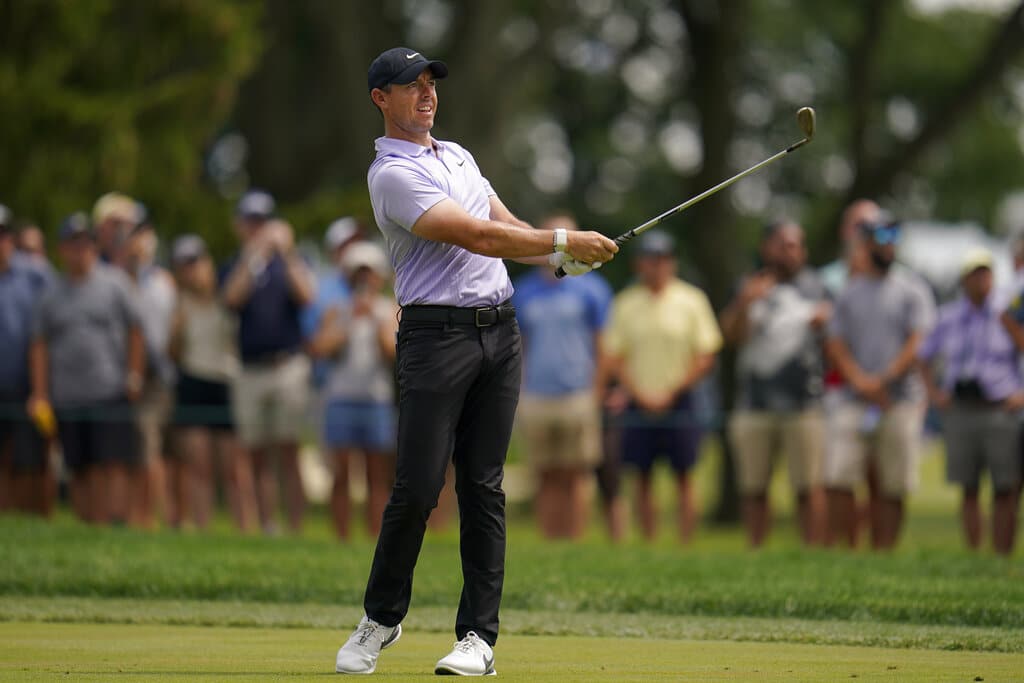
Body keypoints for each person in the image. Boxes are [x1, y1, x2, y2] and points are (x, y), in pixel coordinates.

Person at [334, 47, 616, 677]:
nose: (427, 94)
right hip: (435, 339)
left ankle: (476, 640)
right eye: (411, 86)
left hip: (501, 332)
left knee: (484, 486)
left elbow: (504, 224)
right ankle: (382, 618)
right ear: (381, 99)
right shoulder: (391, 175)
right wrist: (566, 240)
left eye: (431, 83)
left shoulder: (458, 155)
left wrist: (556, 261)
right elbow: (475, 235)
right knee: (417, 487)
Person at [598, 230, 722, 543]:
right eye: (650, 260)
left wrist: (672, 391)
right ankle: (649, 544)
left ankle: (685, 544)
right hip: (638, 402)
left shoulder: (692, 300)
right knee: (641, 475)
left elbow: (706, 356)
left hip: (681, 399)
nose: (656, 267)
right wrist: (640, 394)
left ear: (672, 263)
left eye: (663, 260)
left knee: (684, 474)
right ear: (640, 264)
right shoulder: (626, 303)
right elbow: (615, 357)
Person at [824, 217, 935, 549]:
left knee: (893, 483)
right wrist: (861, 381)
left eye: (895, 235)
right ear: (866, 243)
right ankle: (850, 549)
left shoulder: (912, 288)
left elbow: (918, 340)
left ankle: (884, 551)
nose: (890, 242)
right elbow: (835, 342)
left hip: (899, 399)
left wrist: (884, 379)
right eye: (882, 236)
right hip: (853, 398)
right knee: (839, 476)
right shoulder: (848, 292)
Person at [29, 213, 145, 524]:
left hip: (109, 390)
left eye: (84, 242)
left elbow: (137, 330)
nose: (79, 249)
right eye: (72, 243)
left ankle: (116, 523)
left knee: (112, 462)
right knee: (78, 466)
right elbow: (38, 344)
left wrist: (134, 375)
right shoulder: (50, 293)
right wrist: (40, 393)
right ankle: (89, 526)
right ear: (61, 249)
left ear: (93, 246)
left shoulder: (115, 283)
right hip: (67, 394)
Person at [719, 220, 829, 547]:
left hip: (805, 404)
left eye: (797, 245)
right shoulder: (746, 285)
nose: (793, 252)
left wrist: (827, 323)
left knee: (808, 486)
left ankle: (812, 554)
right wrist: (744, 303)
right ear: (766, 247)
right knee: (753, 487)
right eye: (784, 244)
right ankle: (756, 553)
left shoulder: (819, 287)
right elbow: (730, 337)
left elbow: (836, 342)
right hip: (754, 404)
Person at [512, 213, 613, 540]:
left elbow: (603, 347)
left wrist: (596, 393)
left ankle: (574, 543)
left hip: (578, 395)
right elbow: (519, 347)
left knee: (576, 474)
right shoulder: (523, 292)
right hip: (536, 395)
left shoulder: (592, 288)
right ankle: (551, 542)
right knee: (545, 474)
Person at [222, 193, 315, 534]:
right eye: (251, 222)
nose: (258, 229)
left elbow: (306, 296)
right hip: (250, 370)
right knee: (256, 455)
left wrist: (286, 252)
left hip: (287, 367)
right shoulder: (237, 262)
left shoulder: (291, 261)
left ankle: (295, 529)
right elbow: (231, 299)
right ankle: (267, 526)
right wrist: (251, 257)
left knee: (289, 452)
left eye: (263, 222)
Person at [919, 248, 1022, 555]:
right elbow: (923, 356)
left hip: (999, 407)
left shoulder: (1009, 312)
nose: (981, 280)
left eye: (986, 273)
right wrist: (934, 393)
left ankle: (1001, 553)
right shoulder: (948, 317)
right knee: (968, 486)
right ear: (964, 279)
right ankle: (974, 553)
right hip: (961, 408)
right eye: (975, 274)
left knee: (1006, 487)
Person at [310, 241, 398, 541]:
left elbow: (392, 354)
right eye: (359, 273)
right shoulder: (338, 312)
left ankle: (375, 537)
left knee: (377, 475)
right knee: (342, 474)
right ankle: (342, 537)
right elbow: (319, 348)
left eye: (369, 273)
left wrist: (376, 321)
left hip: (376, 401)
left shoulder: (390, 311)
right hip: (341, 400)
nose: (364, 280)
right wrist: (349, 325)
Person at [169, 235, 257, 532]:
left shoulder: (227, 297)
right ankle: (202, 527)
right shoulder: (179, 304)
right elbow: (174, 353)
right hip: (193, 382)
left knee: (235, 468)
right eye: (185, 265)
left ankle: (246, 529)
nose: (192, 271)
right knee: (199, 466)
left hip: (226, 384)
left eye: (196, 263)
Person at [123, 213, 177, 527]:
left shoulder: (161, 282)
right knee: (136, 451)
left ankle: (153, 518)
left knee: (151, 448)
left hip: (156, 376)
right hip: (128, 374)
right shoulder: (120, 277)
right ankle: (137, 515)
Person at [0, 204, 54, 515]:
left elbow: (44, 335)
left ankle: (34, 521)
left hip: (28, 386)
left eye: (3, 233)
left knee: (31, 462)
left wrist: (42, 390)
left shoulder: (36, 274)